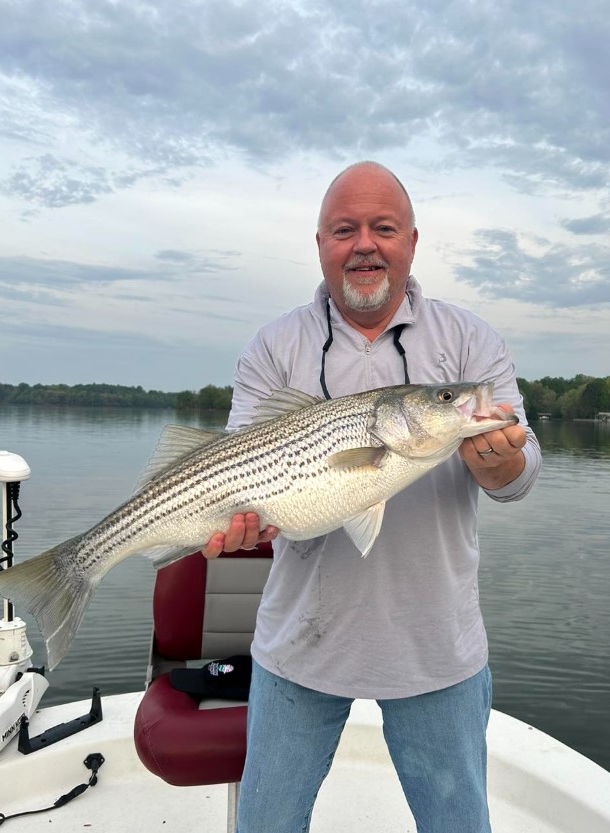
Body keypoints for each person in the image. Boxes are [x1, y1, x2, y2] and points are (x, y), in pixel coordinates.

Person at [201, 161, 541, 832]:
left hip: (435, 643)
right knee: (266, 823)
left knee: (456, 823)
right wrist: (247, 523)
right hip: (299, 640)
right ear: (321, 243)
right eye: (344, 229)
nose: (364, 244)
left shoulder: (469, 341)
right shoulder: (274, 346)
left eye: (382, 228)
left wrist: (501, 468)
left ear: (411, 241)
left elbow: (521, 470)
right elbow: (240, 471)